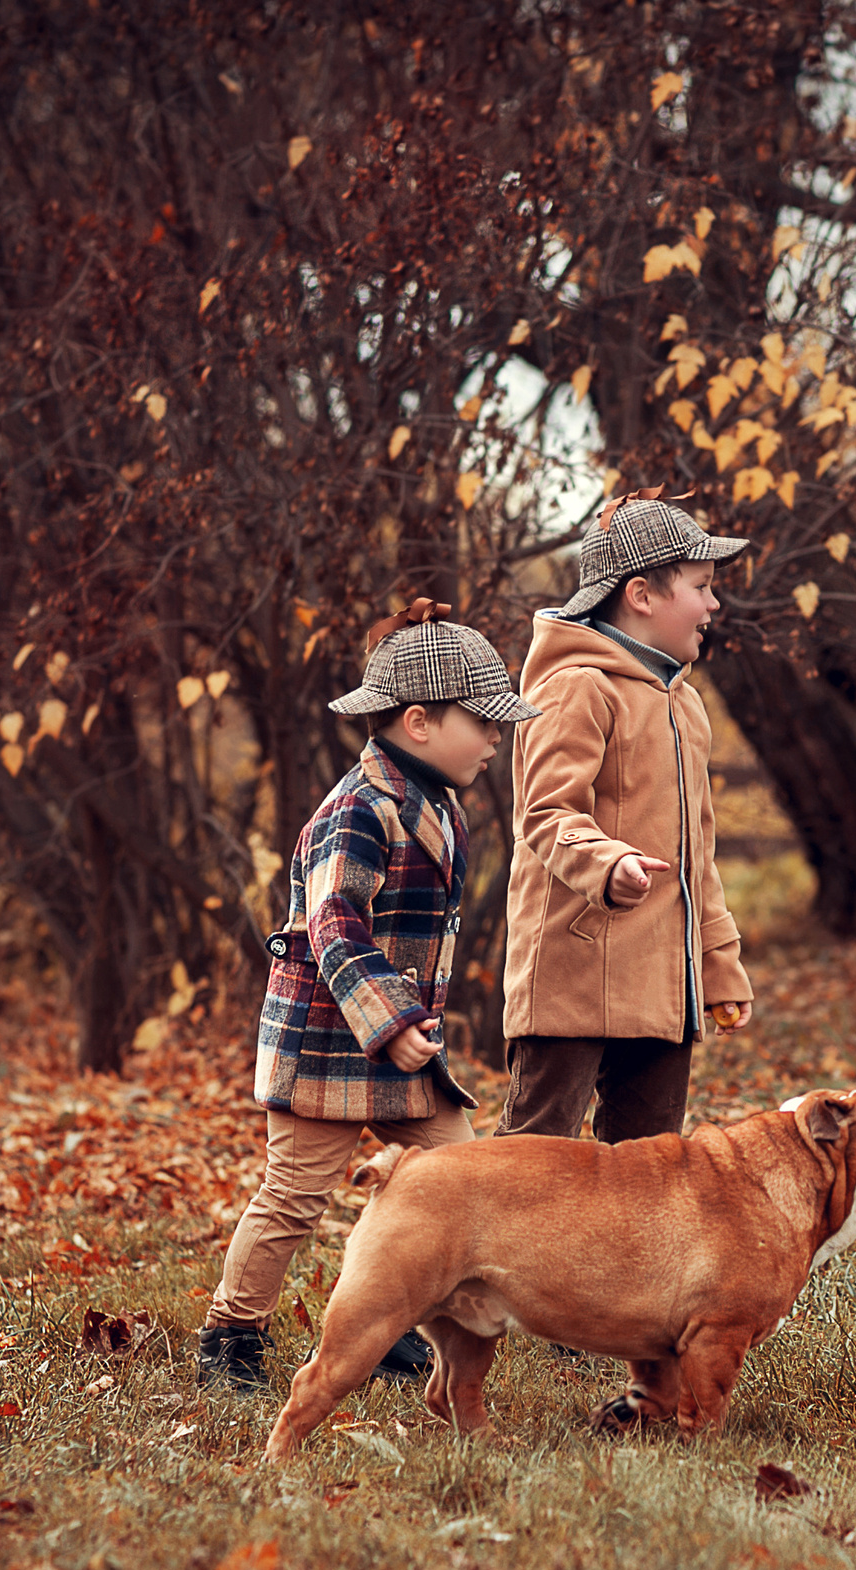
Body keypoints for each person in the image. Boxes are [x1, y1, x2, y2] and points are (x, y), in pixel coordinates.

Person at [195, 600, 539, 1393]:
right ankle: (230, 1336)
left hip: (396, 1048)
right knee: (293, 1196)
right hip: (328, 1042)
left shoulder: (437, 802)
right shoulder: (357, 809)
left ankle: (391, 1323)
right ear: (419, 721)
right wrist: (393, 1020)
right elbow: (335, 926)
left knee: (461, 1179)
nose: (496, 738)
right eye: (484, 722)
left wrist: (402, 1030)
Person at [497, 492, 755, 1143]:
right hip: (571, 977)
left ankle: (618, 1253)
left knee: (651, 1170)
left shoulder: (684, 706)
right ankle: (485, 1248)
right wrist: (608, 861)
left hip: (661, 987)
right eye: (700, 587)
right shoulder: (576, 686)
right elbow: (548, 811)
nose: (713, 605)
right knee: (533, 1161)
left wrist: (719, 963)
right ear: (641, 594)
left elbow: (700, 856)